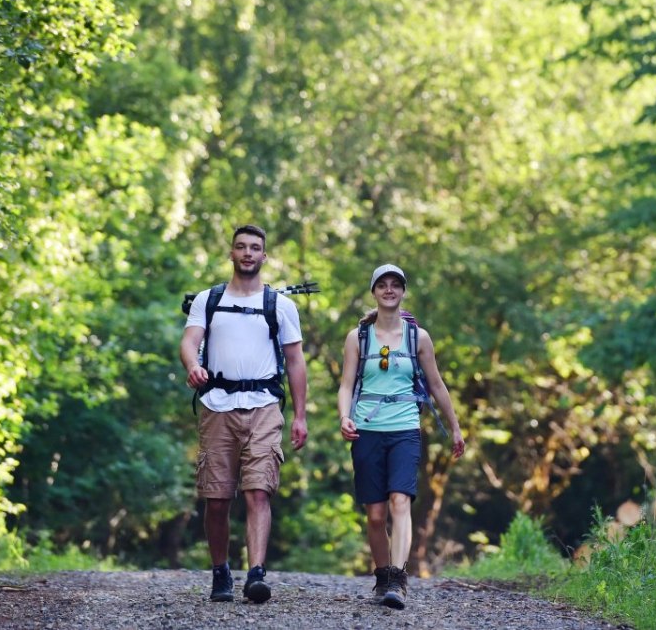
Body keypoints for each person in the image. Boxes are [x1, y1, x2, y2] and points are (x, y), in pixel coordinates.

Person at [179, 224, 308, 604]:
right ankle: (221, 571)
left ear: (264, 256)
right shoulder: (209, 299)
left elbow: (296, 362)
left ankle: (256, 573)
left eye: (255, 248)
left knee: (258, 491)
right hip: (217, 405)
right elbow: (189, 341)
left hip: (264, 405)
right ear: (232, 254)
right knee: (216, 498)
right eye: (241, 247)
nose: (248, 253)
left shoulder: (280, 305)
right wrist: (192, 365)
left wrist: (300, 416)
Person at [337, 264, 465, 610]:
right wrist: (344, 416)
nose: (390, 290)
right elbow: (347, 384)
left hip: (405, 428)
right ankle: (382, 577)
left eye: (396, 285)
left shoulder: (418, 338)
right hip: (367, 429)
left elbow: (436, 384)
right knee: (376, 515)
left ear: (403, 291)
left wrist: (455, 427)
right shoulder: (358, 337)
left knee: (400, 502)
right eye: (383, 285)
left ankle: (398, 579)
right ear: (374, 292)